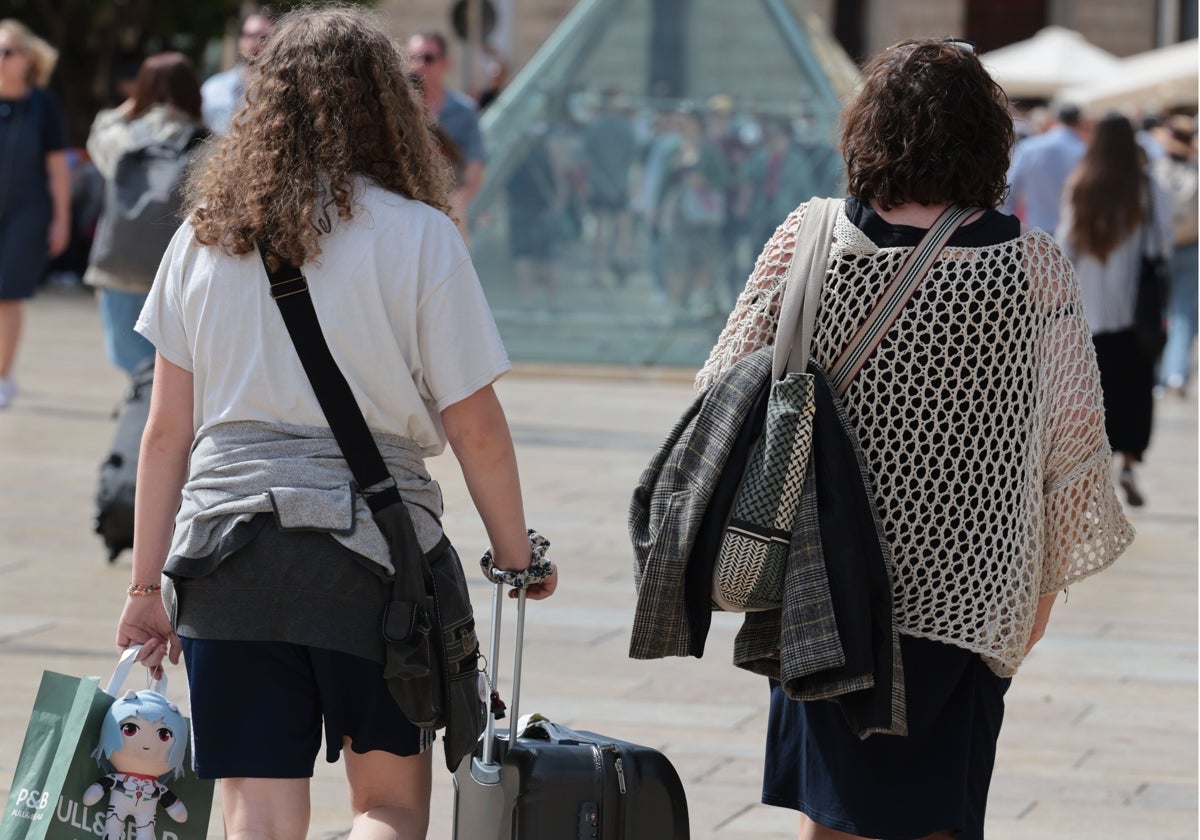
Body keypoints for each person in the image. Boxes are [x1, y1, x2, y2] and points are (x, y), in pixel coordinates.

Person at [113, 8, 557, 840]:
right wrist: (516, 554)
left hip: (225, 553)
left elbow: (165, 431)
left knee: (256, 809)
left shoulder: (204, 238)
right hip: (372, 561)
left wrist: (145, 588)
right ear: (387, 104)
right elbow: (479, 430)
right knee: (385, 808)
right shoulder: (423, 236)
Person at [697, 39, 1132, 840]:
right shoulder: (1032, 265)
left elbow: (721, 395)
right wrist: (1029, 605)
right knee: (937, 818)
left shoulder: (809, 238)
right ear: (987, 142)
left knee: (831, 819)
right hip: (967, 594)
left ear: (867, 133)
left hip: (821, 583)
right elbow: (1073, 441)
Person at [1057, 114, 1173, 508]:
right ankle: (1127, 464)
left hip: (1086, 313)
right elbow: (1162, 246)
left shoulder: (1082, 184)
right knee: (1135, 392)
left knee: (1093, 395)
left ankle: (1093, 473)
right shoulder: (1146, 188)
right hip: (1132, 314)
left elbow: (1065, 244)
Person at [84, 52, 205, 375]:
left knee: (130, 360)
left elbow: (97, 136)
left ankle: (141, 408)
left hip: (119, 266)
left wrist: (134, 104)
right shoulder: (209, 143)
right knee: (177, 365)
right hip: (179, 275)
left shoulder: (123, 138)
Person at [0, 19, 69, 409]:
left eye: (6, 51)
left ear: (27, 59)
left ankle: (3, 377)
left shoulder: (44, 105)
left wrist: (61, 220)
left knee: (7, 296)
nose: (0, 59)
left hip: (27, 211)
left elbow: (58, 168)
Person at [407, 32, 486, 241]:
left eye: (428, 58)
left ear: (445, 63)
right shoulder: (398, 112)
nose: (419, 65)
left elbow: (475, 165)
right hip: (408, 213)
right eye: (412, 58)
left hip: (451, 210)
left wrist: (454, 204)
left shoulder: (464, 110)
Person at [1151, 115, 1199, 396]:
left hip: (1161, 249)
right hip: (1191, 247)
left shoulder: (1157, 171)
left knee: (1160, 312)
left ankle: (1160, 374)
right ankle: (1175, 374)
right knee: (1183, 314)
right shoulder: (1195, 169)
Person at [1003, 101, 1090, 235]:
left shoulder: (1029, 148)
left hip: (1036, 232)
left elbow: (1009, 191)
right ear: (1079, 122)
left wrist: (1008, 230)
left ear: (1054, 119)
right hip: (1074, 233)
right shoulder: (1084, 151)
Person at [200, 7, 275, 135]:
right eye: (249, 35)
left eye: (263, 37)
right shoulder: (214, 87)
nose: (254, 43)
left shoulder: (281, 89)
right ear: (240, 40)